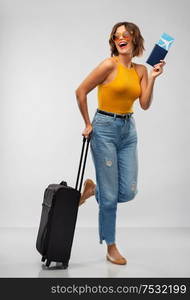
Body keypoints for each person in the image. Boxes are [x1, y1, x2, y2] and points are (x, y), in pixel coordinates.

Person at [75, 21, 166, 265]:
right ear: (114, 42)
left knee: (127, 191)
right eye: (117, 36)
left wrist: (154, 77)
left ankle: (93, 189)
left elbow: (145, 104)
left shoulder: (140, 71)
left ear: (135, 39)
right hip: (104, 128)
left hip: (128, 130)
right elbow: (81, 91)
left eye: (126, 34)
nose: (121, 38)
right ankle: (111, 246)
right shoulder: (108, 65)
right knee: (110, 197)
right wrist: (87, 123)